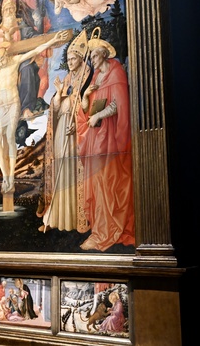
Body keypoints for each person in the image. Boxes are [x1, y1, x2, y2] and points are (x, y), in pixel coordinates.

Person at [0, 29, 70, 194]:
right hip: (2, 106)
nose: (0, 62)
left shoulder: (15, 61)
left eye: (2, 59)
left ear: (7, 55)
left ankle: (11, 177)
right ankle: (5, 176)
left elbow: (35, 50)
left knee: (10, 137)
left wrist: (53, 39)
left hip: (13, 103)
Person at [76, 34, 135, 251]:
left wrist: (99, 116)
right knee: (97, 181)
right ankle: (99, 229)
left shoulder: (116, 73)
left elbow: (119, 104)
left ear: (103, 54)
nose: (92, 59)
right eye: (91, 56)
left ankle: (105, 232)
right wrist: (85, 97)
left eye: (94, 55)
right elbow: (89, 109)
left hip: (110, 136)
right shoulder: (96, 78)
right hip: (96, 137)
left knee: (107, 180)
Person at [39, 29, 91, 233]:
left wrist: (78, 121)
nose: (70, 62)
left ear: (80, 58)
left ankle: (72, 219)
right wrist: (59, 94)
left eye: (73, 58)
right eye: (68, 59)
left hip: (75, 133)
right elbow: (57, 109)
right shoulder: (67, 80)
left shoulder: (86, 78)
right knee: (61, 172)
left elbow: (88, 107)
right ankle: (56, 218)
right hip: (62, 131)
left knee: (71, 173)